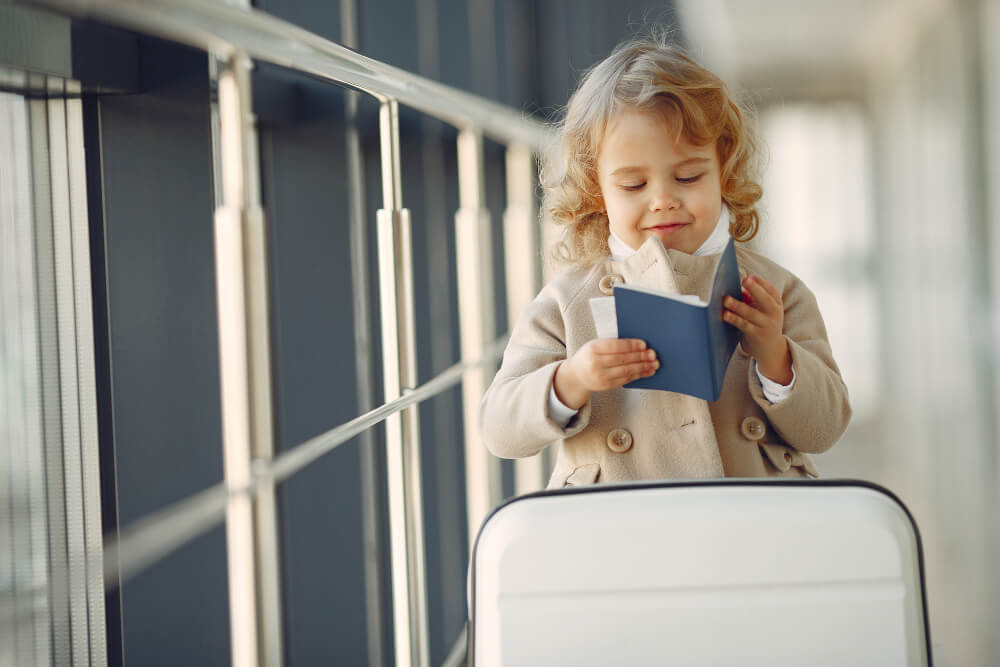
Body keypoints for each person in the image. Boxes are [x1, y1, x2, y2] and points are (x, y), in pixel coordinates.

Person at [479, 35, 852, 487]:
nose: (663, 200)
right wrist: (571, 380)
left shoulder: (774, 290)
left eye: (688, 176)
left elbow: (827, 428)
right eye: (634, 186)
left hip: (755, 527)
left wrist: (776, 355)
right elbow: (498, 430)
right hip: (620, 533)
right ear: (597, 191)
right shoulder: (565, 301)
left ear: (723, 169)